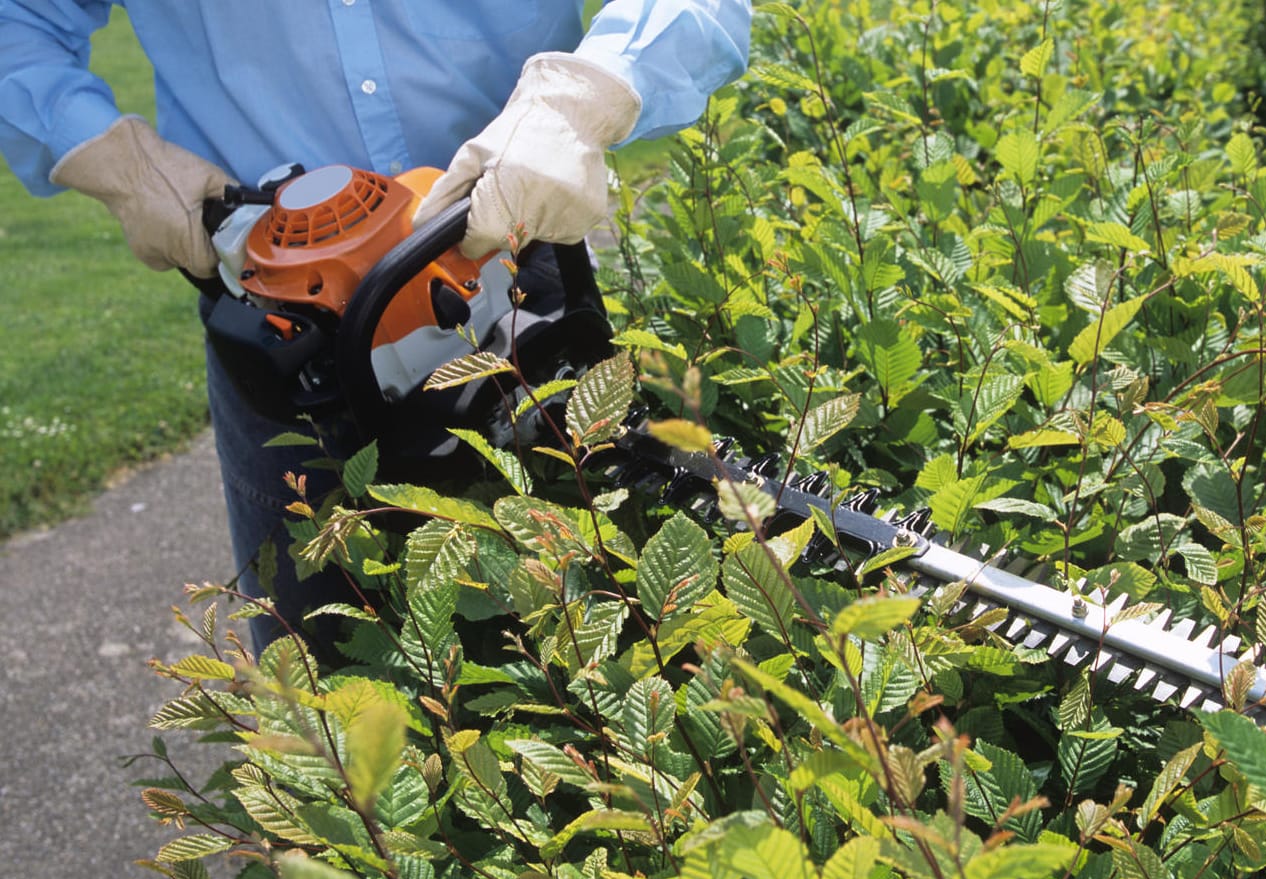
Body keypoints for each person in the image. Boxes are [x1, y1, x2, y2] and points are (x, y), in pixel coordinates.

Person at [0, 1, 752, 651]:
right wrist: (114, 158)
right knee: (332, 712)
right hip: (293, 337)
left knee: (616, 646)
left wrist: (587, 97)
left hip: (519, 266)